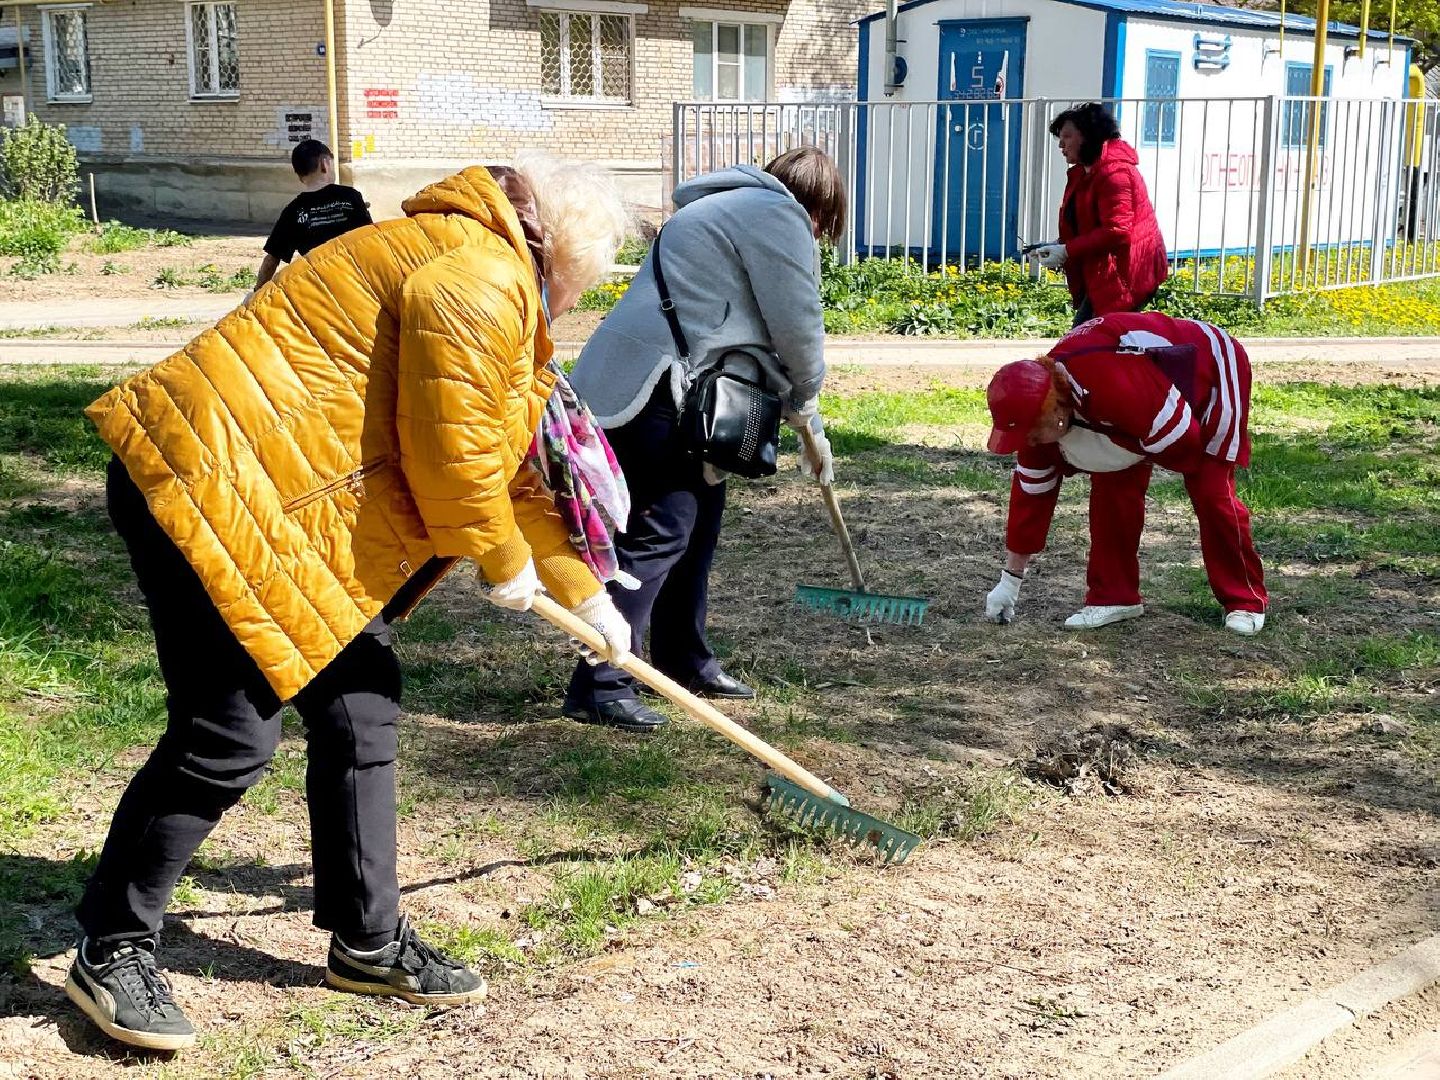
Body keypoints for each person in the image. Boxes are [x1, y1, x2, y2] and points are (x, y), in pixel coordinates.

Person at [68, 156, 630, 1051]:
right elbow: (451, 460)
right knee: (226, 735)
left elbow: (506, 467)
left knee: (361, 703)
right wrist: (501, 559)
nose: (573, 307)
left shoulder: (484, 276)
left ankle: (366, 944)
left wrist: (585, 595)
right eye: (580, 290)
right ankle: (112, 944)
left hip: (273, 509)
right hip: (208, 486)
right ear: (559, 261)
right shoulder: (484, 280)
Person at [560, 147, 845, 733]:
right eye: (825, 224)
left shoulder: (722, 210)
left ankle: (681, 656)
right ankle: (602, 679)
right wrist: (809, 406)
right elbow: (797, 322)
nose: (817, 235)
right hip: (658, 390)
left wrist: (801, 417)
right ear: (816, 207)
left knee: (697, 526)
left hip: (640, 381)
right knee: (661, 531)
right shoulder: (775, 215)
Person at [982, 311, 1267, 636]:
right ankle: (1114, 595)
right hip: (1141, 403)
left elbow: (1183, 439)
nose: (1028, 443)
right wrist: (1010, 580)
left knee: (1211, 489)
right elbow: (1030, 499)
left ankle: (1245, 600)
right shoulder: (1039, 419)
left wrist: (1116, 452)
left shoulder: (1111, 386)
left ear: (1056, 411)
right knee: (1112, 485)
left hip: (1212, 366)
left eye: (1031, 434)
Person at [1031, 103, 1168, 326]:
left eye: (1067, 136)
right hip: (1107, 273)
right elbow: (1088, 223)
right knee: (1098, 341)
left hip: (1126, 274)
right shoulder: (1086, 172)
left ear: (1088, 136)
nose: (1061, 145)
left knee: (1086, 342)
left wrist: (1067, 250)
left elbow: (1117, 231)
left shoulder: (1115, 173)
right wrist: (1059, 245)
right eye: (1059, 138)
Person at [255, 139, 372, 288]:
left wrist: (256, 293)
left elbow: (271, 260)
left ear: (299, 175)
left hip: (319, 288)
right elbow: (370, 239)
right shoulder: (350, 196)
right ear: (324, 164)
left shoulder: (293, 210)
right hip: (355, 281)